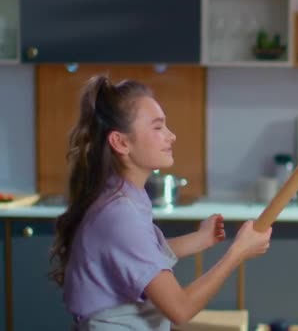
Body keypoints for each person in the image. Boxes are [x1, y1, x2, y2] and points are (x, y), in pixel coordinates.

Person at [49, 75, 272, 330]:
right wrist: (237, 253)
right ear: (121, 142)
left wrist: (199, 239)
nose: (172, 136)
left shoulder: (123, 194)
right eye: (158, 127)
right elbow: (180, 309)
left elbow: (139, 256)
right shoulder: (120, 215)